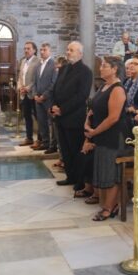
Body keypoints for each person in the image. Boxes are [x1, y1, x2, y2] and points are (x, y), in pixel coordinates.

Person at [83, 56, 127, 221]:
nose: (101, 68)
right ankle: (107, 204)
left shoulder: (117, 89)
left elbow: (113, 118)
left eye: (104, 66)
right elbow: (93, 109)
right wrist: (87, 123)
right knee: (103, 169)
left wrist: (94, 132)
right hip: (101, 133)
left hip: (113, 136)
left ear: (114, 69)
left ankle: (110, 207)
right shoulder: (104, 86)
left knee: (111, 171)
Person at [51, 41, 93, 189]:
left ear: (80, 53)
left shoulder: (85, 71)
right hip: (60, 117)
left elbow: (82, 96)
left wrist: (62, 109)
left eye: (72, 50)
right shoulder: (63, 68)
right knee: (65, 150)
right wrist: (53, 106)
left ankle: (80, 181)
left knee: (75, 149)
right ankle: (70, 176)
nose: (68, 52)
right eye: (68, 50)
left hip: (74, 117)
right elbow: (55, 89)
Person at [33, 43, 56, 152]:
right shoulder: (39, 65)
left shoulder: (53, 64)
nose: (42, 52)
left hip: (49, 99)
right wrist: (35, 94)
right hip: (38, 98)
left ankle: (53, 145)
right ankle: (45, 142)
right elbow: (35, 82)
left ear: (50, 51)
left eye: (44, 50)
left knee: (52, 122)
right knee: (41, 122)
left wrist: (44, 95)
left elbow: (53, 83)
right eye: (41, 50)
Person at [17, 42, 41, 147]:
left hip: (33, 93)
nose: (26, 50)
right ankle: (29, 138)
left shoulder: (38, 61)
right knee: (27, 116)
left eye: (28, 48)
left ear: (34, 50)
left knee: (37, 116)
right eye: (25, 48)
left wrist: (28, 88)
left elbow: (37, 78)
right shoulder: (23, 61)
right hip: (24, 94)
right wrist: (20, 87)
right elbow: (20, 76)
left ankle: (40, 139)